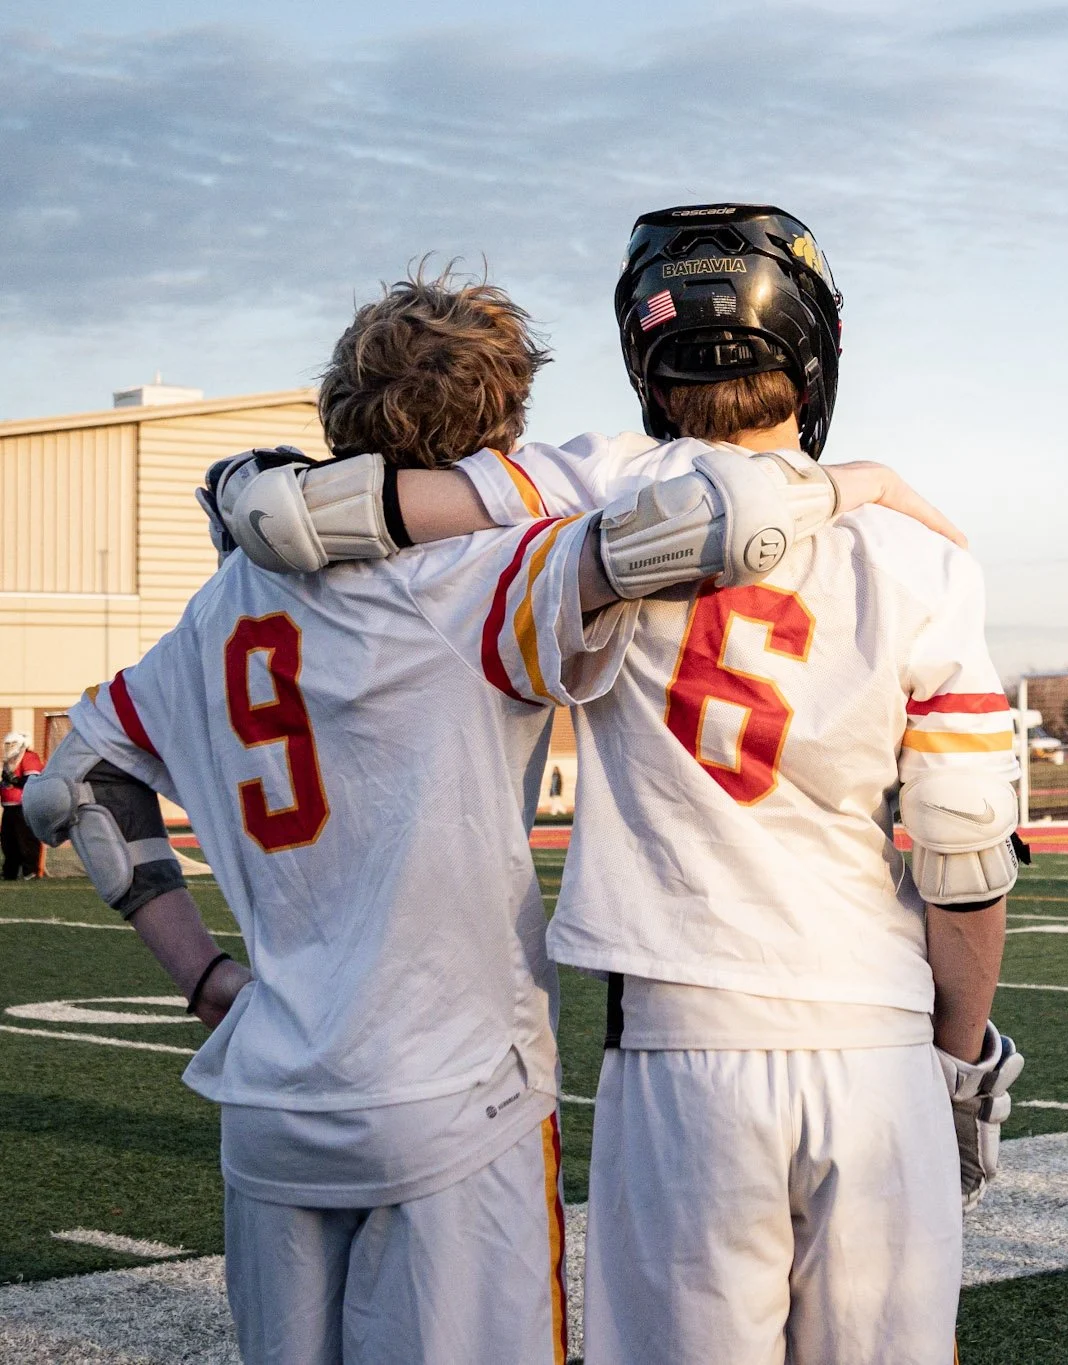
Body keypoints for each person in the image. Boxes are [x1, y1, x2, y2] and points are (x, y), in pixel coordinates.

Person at [35, 269, 957, 1365]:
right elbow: (728, 519)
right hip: (455, 1097)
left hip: (270, 1093)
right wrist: (871, 480)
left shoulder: (224, 603)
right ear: (501, 427)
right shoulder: (487, 575)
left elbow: (74, 781)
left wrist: (203, 976)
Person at [2, 732, 46, 878]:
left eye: (12, 745)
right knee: (8, 842)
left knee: (26, 840)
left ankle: (31, 871)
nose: (9, 748)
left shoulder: (29, 757)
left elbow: (32, 781)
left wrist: (14, 780)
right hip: (9, 807)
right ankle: (10, 872)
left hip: (24, 806)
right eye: (7, 745)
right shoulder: (9, 762)